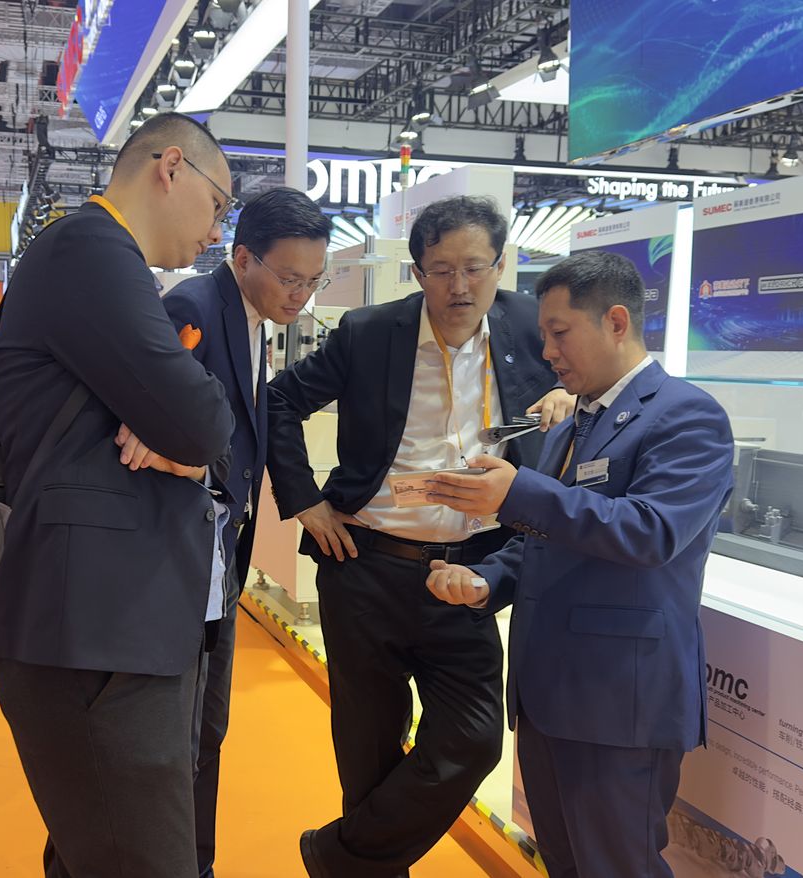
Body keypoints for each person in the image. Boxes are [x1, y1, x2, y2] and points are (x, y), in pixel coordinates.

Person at [267, 195, 573, 877]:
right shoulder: (370, 332)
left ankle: (336, 856)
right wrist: (304, 501)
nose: (460, 286)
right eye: (441, 270)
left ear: (500, 266)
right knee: (368, 748)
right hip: (365, 565)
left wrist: (570, 394)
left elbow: (604, 383)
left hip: (467, 574)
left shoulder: (533, 328)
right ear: (417, 272)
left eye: (475, 267)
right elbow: (279, 401)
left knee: (474, 739)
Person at [0, 112, 237, 878]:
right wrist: (189, 433)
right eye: (218, 205)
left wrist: (188, 444)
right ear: (171, 167)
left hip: (107, 628)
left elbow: (197, 439)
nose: (215, 232)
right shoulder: (90, 251)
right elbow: (203, 421)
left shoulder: (90, 257)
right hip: (97, 635)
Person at [424, 250, 736, 878]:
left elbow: (651, 531)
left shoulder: (687, 416)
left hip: (617, 700)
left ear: (616, 322)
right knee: (565, 863)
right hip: (550, 694)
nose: (547, 352)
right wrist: (487, 578)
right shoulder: (574, 424)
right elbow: (548, 539)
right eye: (544, 334)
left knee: (617, 865)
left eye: (559, 332)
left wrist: (517, 492)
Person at [160, 187, 333, 878]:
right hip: (174, 559)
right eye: (289, 278)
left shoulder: (254, 320)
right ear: (241, 257)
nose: (301, 295)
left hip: (217, 558)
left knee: (207, 727)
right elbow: (162, 431)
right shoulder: (194, 310)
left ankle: (196, 862)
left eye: (313, 281)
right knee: (174, 733)